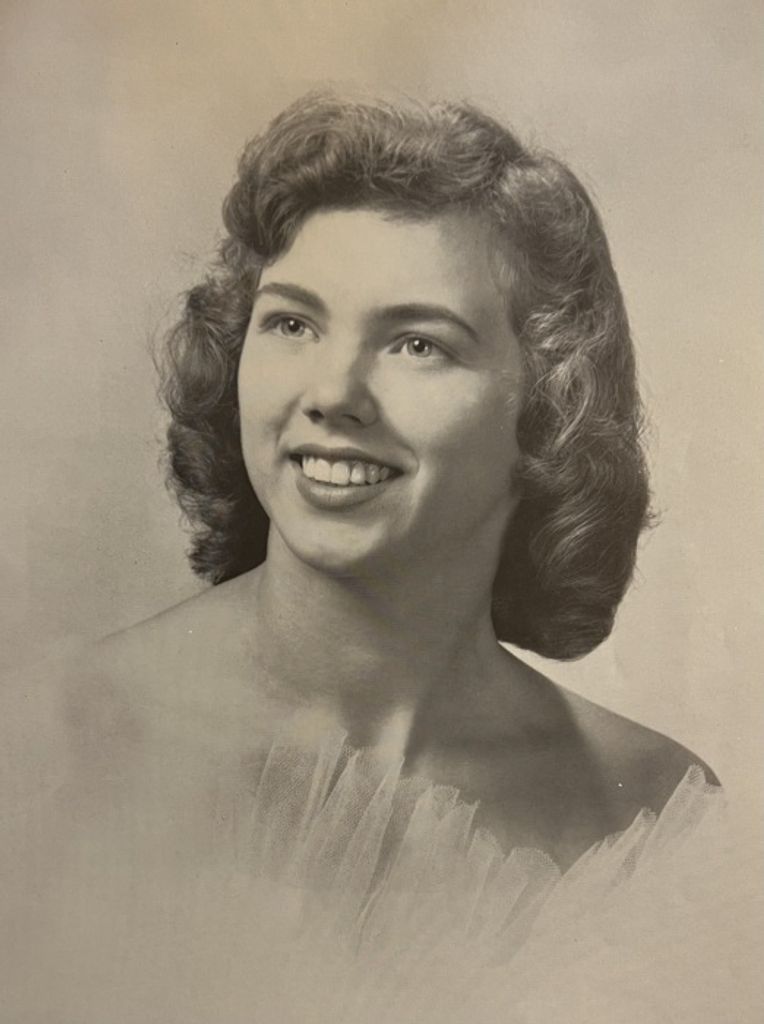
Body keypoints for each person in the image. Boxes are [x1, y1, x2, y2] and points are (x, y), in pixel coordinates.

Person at [3, 93, 747, 1023]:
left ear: (547, 408)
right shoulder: (49, 745)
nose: (333, 393)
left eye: (417, 343)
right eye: (292, 324)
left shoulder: (653, 816)